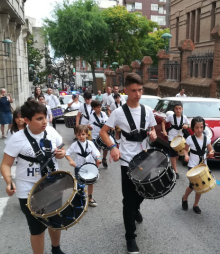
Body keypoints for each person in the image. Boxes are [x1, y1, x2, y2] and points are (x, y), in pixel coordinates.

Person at [100, 73, 157, 254]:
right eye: (133, 91)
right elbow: (103, 132)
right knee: (128, 200)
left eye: (140, 90)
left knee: (144, 192)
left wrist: (153, 134)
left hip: (145, 159)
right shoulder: (118, 113)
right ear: (126, 91)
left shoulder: (147, 111)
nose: (137, 94)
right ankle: (130, 238)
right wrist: (112, 147)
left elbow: (152, 129)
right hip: (127, 161)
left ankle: (136, 207)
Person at [0, 100, 66, 254]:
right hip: (28, 189)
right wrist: (9, 182)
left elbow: (62, 151)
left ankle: (56, 249)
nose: (44, 122)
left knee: (55, 221)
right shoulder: (16, 139)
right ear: (26, 120)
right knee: (37, 228)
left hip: (53, 185)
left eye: (45, 117)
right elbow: (5, 164)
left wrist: (62, 154)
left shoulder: (51, 132)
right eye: (39, 118)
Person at [182, 117, 214, 214]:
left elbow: (211, 149)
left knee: (200, 186)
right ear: (192, 128)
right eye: (196, 127)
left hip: (203, 166)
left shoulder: (206, 139)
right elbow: (185, 149)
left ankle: (196, 204)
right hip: (193, 165)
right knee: (192, 186)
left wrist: (211, 152)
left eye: (201, 127)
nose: (199, 130)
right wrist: (186, 155)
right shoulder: (189, 139)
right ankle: (184, 198)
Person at [65, 124, 101, 207]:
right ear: (76, 135)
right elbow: (67, 153)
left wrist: (98, 158)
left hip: (90, 166)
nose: (81, 136)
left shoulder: (90, 143)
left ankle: (90, 198)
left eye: (83, 134)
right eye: (79, 135)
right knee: (79, 183)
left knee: (91, 183)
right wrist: (71, 161)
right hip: (79, 166)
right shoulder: (74, 145)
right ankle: (80, 198)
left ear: (87, 134)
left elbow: (96, 153)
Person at [161, 102, 189, 179]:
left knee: (177, 155)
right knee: (173, 154)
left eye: (179, 108)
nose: (178, 110)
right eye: (176, 108)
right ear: (174, 109)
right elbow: (163, 123)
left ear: (182, 109)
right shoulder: (171, 116)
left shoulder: (184, 117)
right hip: (171, 137)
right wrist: (164, 131)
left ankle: (173, 166)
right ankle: (175, 171)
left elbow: (189, 125)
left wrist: (187, 126)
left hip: (180, 138)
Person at [90, 100, 110, 168]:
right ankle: (97, 164)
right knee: (97, 150)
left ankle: (104, 159)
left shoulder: (103, 114)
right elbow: (90, 125)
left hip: (104, 135)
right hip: (95, 135)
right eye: (98, 107)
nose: (99, 109)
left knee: (105, 149)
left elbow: (108, 121)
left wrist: (111, 126)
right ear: (93, 108)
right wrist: (89, 127)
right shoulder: (91, 116)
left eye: (100, 107)